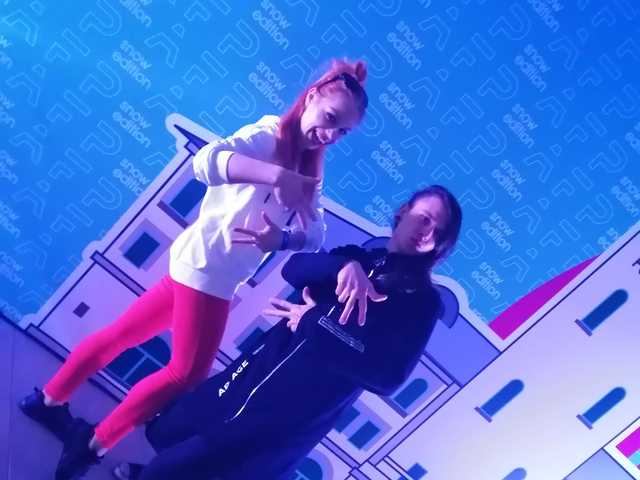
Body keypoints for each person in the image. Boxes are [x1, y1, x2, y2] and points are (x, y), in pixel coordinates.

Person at [19, 58, 369, 480]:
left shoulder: (311, 165)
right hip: (209, 273)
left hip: (203, 267)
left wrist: (281, 239)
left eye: (342, 131)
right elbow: (206, 162)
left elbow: (315, 234)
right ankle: (92, 444)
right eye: (330, 119)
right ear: (311, 97)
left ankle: (47, 400)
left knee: (121, 336)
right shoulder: (267, 137)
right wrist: (276, 176)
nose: (330, 135)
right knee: (186, 373)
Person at [124, 185, 462, 480]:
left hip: (294, 406)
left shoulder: (422, 301)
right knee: (176, 431)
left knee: (193, 462)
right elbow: (295, 269)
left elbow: (388, 376)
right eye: (425, 218)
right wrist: (344, 267)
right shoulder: (359, 256)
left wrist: (315, 323)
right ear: (403, 211)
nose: (428, 232)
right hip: (257, 370)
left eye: (440, 232)